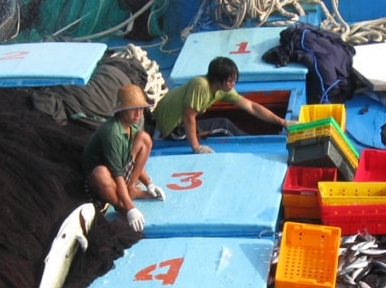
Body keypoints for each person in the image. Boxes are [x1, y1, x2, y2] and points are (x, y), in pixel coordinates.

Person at [151, 55, 290, 153]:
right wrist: (196, 148)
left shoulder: (222, 89)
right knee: (224, 126)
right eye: (229, 81)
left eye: (234, 80)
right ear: (218, 80)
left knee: (223, 123)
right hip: (172, 130)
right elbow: (189, 117)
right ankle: (253, 145)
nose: (233, 84)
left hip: (178, 122)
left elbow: (251, 106)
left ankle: (253, 138)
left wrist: (282, 122)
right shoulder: (201, 86)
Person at [82, 84, 165, 232]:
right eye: (134, 109)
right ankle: (120, 205)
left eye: (141, 108)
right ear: (121, 110)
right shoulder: (112, 133)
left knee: (144, 138)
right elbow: (117, 173)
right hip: (103, 181)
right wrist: (129, 208)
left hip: (118, 173)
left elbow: (128, 159)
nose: (139, 113)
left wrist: (149, 184)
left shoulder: (131, 127)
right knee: (100, 174)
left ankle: (131, 188)